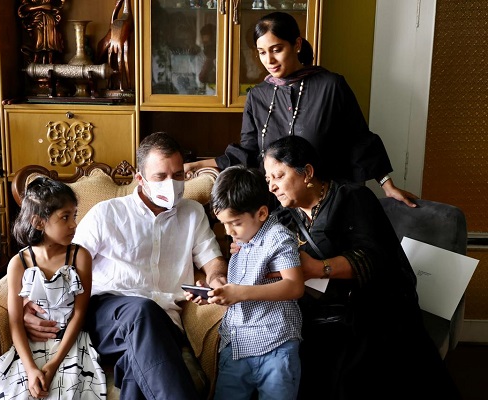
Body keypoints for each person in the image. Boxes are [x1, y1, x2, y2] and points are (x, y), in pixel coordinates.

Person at [23, 132, 228, 399]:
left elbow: (212, 260)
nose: (172, 183)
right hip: (105, 316)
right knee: (142, 311)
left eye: (178, 175)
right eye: (161, 177)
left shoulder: (192, 213)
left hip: (165, 323)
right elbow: (63, 263)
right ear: (140, 179)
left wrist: (217, 280)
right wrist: (30, 301)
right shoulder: (106, 213)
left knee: (136, 361)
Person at [263, 135, 460, 399]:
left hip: (369, 310)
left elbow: (374, 257)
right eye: (268, 180)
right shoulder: (283, 218)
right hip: (314, 316)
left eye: (278, 176)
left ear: (307, 172)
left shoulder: (352, 198)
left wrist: (317, 268)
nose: (272, 187)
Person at [184, 11, 418, 208]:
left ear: (296, 44)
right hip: (276, 204)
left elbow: (358, 140)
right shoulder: (257, 96)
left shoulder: (331, 86)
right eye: (262, 52)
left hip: (328, 204)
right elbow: (247, 152)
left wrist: (388, 186)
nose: (269, 60)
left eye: (276, 49)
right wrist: (198, 166)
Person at [0, 177, 107, 399]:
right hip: (30, 347)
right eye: (65, 217)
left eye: (74, 215)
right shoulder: (19, 263)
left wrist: (53, 364)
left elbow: (80, 313)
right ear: (38, 222)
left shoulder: (80, 257)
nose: (74, 224)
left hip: (70, 345)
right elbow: (15, 321)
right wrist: (31, 368)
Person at [204, 165, 304, 400]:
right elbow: (237, 286)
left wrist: (239, 293)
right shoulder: (242, 239)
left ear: (261, 213)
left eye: (235, 223)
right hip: (236, 344)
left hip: (275, 345)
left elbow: (294, 286)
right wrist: (213, 294)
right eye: (224, 224)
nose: (229, 231)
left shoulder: (278, 238)